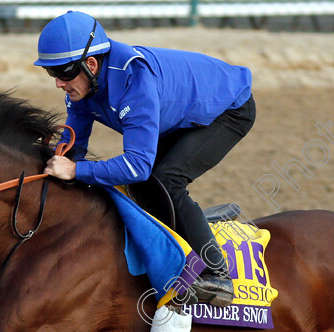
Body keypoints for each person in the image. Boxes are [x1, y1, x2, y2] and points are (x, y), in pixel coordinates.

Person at [36, 11, 255, 308]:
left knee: (166, 180)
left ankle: (217, 275)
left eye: (63, 73)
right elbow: (74, 144)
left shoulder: (134, 82)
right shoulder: (84, 85)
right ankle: (191, 227)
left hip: (227, 110)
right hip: (176, 114)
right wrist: (56, 160)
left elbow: (136, 166)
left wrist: (75, 170)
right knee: (146, 187)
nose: (59, 83)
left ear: (90, 64)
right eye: (53, 74)